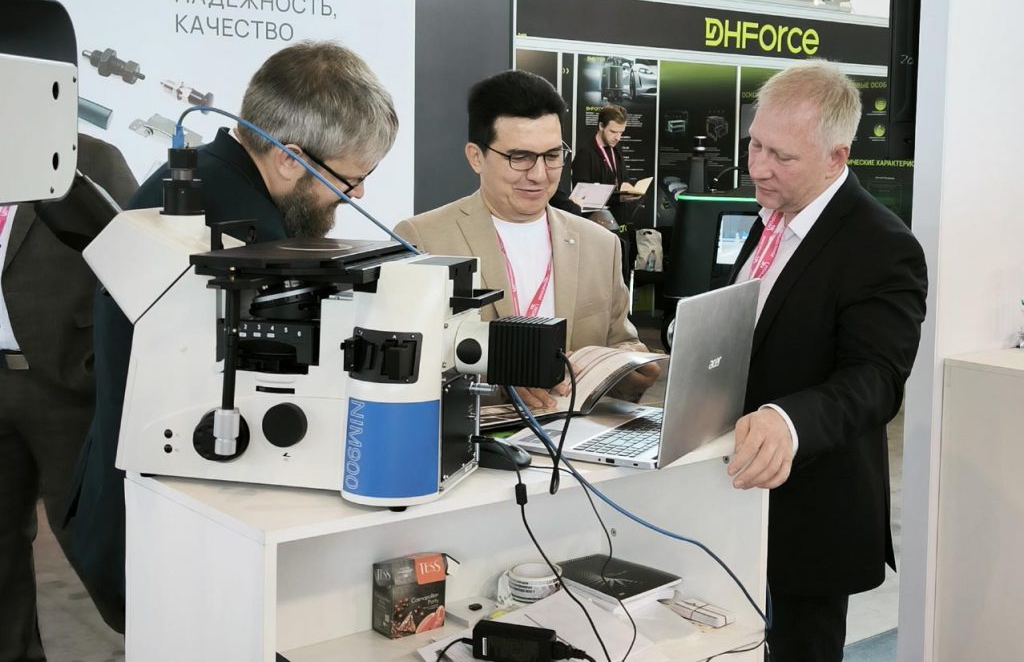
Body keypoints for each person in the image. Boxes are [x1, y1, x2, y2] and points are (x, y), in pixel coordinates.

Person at [63, 40, 399, 633]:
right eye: (352, 179)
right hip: (174, 529)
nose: (358, 196)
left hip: (142, 506)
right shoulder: (241, 232)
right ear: (290, 158)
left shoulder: (207, 179)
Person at [723, 60, 927, 661]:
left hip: (813, 507)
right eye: (755, 144)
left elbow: (877, 379)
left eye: (782, 156)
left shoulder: (881, 245)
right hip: (728, 491)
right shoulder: (770, 216)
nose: (758, 167)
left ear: (837, 157)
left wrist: (787, 421)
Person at [393, 71, 658, 409]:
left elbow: (621, 342)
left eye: (552, 156)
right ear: (476, 157)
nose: (538, 175)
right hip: (474, 436)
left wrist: (630, 370)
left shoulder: (600, 245)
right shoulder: (422, 239)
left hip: (576, 433)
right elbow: (404, 367)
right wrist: (499, 378)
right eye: (519, 157)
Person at [0, 134, 138, 662]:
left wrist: (100, 362)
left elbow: (139, 267)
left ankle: (158, 643)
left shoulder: (91, 157)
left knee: (102, 548)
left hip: (68, 385)